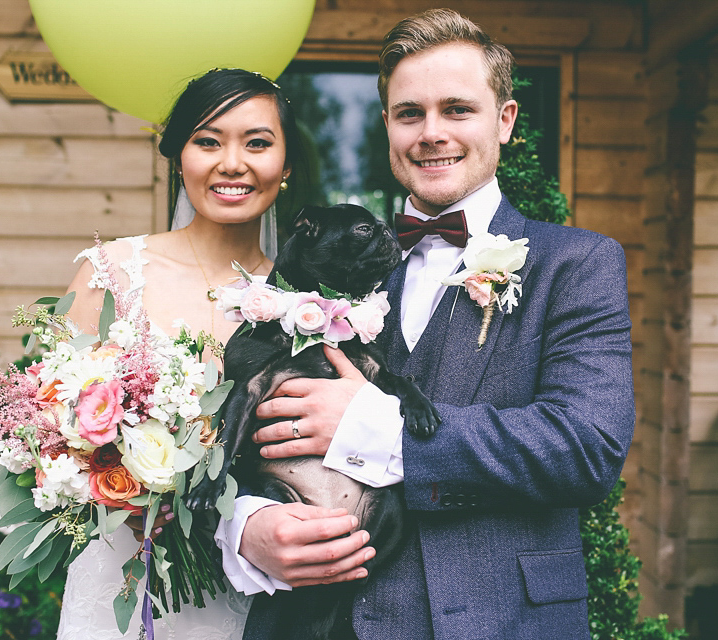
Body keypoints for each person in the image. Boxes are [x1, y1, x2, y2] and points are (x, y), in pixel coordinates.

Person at [218, 9, 636, 639]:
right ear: (388, 125)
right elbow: (241, 419)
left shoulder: (577, 263)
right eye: (410, 113)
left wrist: (375, 428)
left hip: (498, 622)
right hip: (315, 621)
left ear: (506, 119)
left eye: (457, 109)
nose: (431, 132)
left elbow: (586, 448)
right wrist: (246, 525)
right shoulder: (329, 265)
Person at [56, 67, 307, 640]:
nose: (232, 163)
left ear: (286, 165)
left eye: (258, 143)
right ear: (178, 157)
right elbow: (50, 425)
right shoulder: (112, 272)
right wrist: (123, 475)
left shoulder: (306, 305)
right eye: (208, 141)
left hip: (255, 585)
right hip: (126, 570)